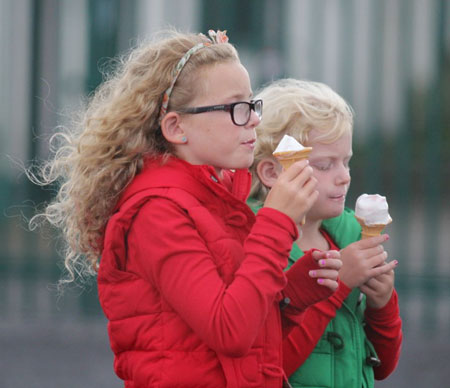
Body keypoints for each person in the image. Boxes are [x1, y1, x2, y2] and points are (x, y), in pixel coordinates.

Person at [29, 31, 344, 387]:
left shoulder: (221, 203)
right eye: (235, 108)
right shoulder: (156, 213)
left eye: (252, 104)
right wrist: (277, 220)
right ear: (177, 127)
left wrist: (290, 297)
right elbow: (231, 332)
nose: (254, 119)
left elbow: (244, 344)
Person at [249, 78, 402, 388]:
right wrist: (340, 282)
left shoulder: (349, 236)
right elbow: (269, 367)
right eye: (324, 165)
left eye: (345, 162)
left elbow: (383, 365)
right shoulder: (256, 248)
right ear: (271, 173)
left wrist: (383, 303)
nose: (344, 177)